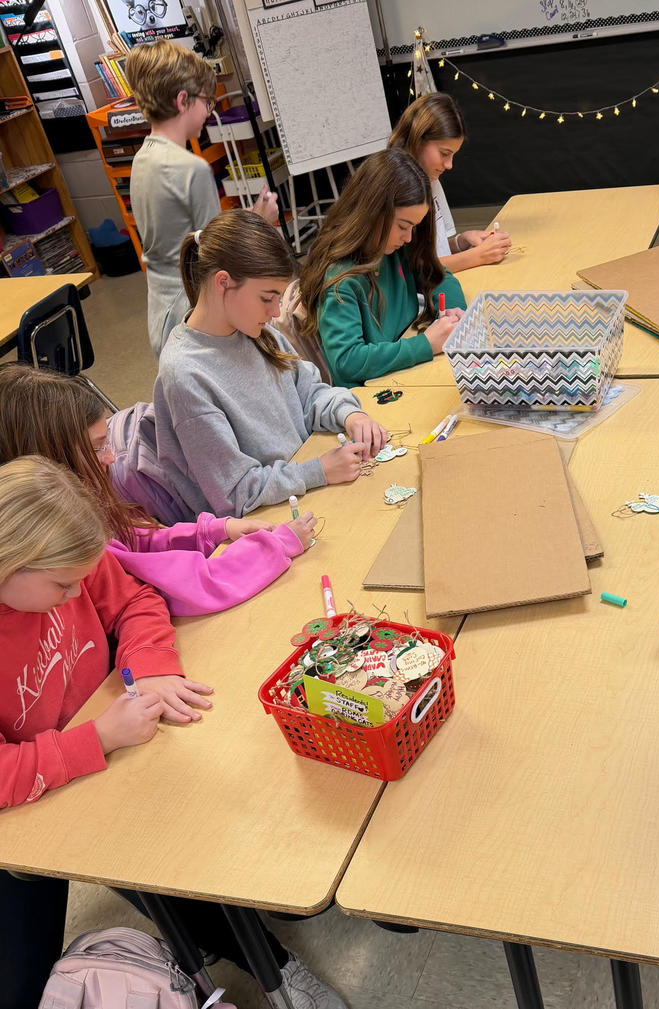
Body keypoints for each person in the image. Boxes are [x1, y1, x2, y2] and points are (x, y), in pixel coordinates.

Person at [0, 456, 348, 1009]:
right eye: (63, 586)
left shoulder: (65, 561)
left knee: (185, 865)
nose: (75, 595)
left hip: (109, 746)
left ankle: (266, 963)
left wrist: (150, 662)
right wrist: (96, 739)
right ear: (10, 564)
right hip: (38, 798)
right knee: (24, 983)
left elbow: (135, 598)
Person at [109, 209, 388, 525]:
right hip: (268, 517)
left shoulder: (257, 332)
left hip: (300, 488)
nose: (276, 312)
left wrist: (349, 414)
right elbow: (236, 494)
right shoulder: (185, 375)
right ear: (223, 282)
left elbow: (309, 393)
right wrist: (318, 470)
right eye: (267, 298)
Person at [0, 363, 317, 617]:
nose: (111, 458)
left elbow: (138, 540)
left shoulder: (68, 516)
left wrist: (214, 531)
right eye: (97, 448)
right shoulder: (72, 542)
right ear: (51, 458)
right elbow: (187, 586)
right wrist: (276, 545)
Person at [125, 40, 278, 357]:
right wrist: (260, 222)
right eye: (207, 102)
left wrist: (246, 218)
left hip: (160, 310)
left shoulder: (142, 159)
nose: (209, 112)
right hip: (191, 310)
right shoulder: (191, 169)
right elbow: (217, 257)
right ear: (183, 100)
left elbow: (190, 236)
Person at [296, 148, 467, 388]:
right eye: (403, 226)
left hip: (403, 375)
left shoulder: (393, 246)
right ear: (373, 213)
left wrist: (453, 312)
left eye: (414, 227)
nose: (408, 237)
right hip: (370, 394)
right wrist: (425, 345)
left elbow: (439, 276)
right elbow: (347, 361)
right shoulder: (340, 278)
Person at [388, 92, 512, 270]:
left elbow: (436, 251)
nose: (449, 165)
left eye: (453, 155)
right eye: (444, 153)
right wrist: (478, 256)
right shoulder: (400, 189)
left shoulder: (431, 179)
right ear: (417, 139)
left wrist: (463, 240)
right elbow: (417, 269)